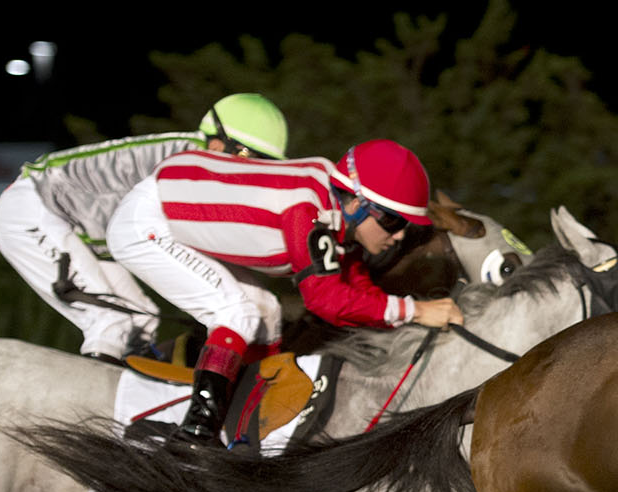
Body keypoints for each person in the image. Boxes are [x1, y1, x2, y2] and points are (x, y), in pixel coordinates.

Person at [105, 138, 464, 447]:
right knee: (238, 313)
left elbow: (357, 287)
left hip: (174, 200)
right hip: (148, 222)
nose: (399, 235)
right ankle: (197, 434)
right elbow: (325, 301)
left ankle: (245, 414)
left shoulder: (335, 209)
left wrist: (412, 318)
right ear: (356, 204)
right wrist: (415, 311)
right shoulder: (306, 211)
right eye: (394, 220)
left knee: (265, 312)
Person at [0, 94, 290, 363]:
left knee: (141, 325)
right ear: (216, 144)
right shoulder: (192, 164)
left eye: (265, 162)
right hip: (32, 209)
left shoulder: (201, 160)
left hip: (74, 227)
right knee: (111, 322)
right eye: (249, 156)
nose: (255, 169)